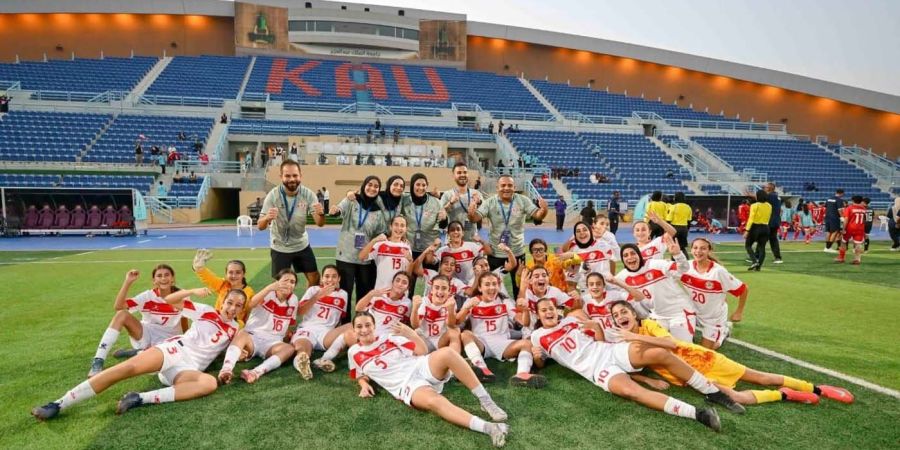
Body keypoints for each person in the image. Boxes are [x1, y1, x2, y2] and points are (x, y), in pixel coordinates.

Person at [32, 288, 246, 420]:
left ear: (241, 310)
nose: (232, 308)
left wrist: (239, 356)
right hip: (175, 350)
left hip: (188, 370)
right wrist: (192, 290)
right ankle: (59, 404)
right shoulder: (206, 311)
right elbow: (170, 299)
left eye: (238, 306)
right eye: (230, 302)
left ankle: (139, 398)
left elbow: (233, 350)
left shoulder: (236, 329)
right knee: (127, 369)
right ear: (222, 301)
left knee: (209, 383)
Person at [529, 299, 738, 431]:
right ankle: (698, 414)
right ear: (538, 315)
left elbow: (599, 341)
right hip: (596, 370)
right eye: (544, 310)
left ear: (557, 311)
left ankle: (713, 393)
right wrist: (538, 357)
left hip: (609, 351)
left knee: (659, 353)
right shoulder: (537, 336)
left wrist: (596, 328)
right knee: (632, 392)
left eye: (551, 308)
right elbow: (540, 363)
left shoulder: (571, 321)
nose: (549, 312)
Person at [609, 301, 853, 407]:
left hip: (705, 360)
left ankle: (818, 388)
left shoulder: (648, 326)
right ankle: (785, 395)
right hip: (692, 378)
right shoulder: (624, 343)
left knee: (761, 377)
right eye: (616, 316)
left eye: (623, 312)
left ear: (633, 314)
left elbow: (669, 344)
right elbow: (623, 369)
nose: (621, 317)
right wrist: (648, 380)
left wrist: (635, 336)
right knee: (737, 398)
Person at [346, 313, 509, 447]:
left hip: (419, 365)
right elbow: (360, 372)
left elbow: (422, 351)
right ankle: (489, 428)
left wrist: (410, 333)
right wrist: (363, 384)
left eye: (368, 325)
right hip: (406, 385)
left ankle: (486, 401)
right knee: (434, 401)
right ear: (354, 330)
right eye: (359, 326)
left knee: (447, 353)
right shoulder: (353, 352)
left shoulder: (388, 338)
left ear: (374, 326)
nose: (364, 330)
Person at [87, 267, 184, 377]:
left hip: (168, 339)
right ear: (154, 280)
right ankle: (98, 361)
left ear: (172, 278)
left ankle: (137, 352)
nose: (163, 278)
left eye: (167, 275)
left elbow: (184, 317)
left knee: (155, 367)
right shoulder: (147, 296)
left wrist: (185, 337)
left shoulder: (181, 295)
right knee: (121, 314)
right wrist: (128, 282)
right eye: (159, 276)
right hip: (146, 335)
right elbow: (118, 306)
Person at [458, 272, 546, 387]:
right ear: (480, 288)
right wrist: (467, 308)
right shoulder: (473, 301)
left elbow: (524, 323)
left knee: (527, 343)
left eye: (494, 284)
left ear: (499, 286)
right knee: (465, 334)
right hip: (481, 343)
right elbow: (456, 322)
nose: (491, 287)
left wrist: (525, 310)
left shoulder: (504, 301)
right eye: (487, 284)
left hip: (502, 343)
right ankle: (481, 368)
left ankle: (522, 374)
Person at [468, 175, 548, 298]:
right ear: (497, 188)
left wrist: (544, 209)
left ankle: (519, 308)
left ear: (514, 187)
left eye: (510, 185)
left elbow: (538, 215)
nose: (506, 188)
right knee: (492, 287)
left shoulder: (523, 200)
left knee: (519, 287)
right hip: (495, 254)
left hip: (517, 253)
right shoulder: (490, 202)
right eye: (503, 185)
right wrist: (471, 212)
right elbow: (474, 218)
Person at [313, 272, 413, 371]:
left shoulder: (407, 303)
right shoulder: (379, 295)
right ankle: (324, 359)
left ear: (407, 288)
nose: (400, 284)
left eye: (404, 282)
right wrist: (370, 295)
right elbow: (358, 308)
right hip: (368, 333)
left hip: (385, 339)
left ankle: (361, 360)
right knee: (347, 335)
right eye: (397, 280)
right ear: (392, 282)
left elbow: (407, 324)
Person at [218, 270, 299, 384]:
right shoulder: (269, 293)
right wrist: (269, 288)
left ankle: (255, 372)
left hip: (273, 342)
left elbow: (289, 323)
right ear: (276, 282)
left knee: (289, 349)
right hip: (253, 336)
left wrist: (287, 336)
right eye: (285, 280)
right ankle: (226, 369)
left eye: (292, 282)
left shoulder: (293, 299)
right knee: (242, 333)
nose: (288, 284)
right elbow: (251, 304)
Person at [615, 235, 697, 342]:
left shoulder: (655, 264)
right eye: (625, 255)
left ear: (639, 255)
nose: (630, 257)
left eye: (633, 253)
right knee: (655, 347)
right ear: (623, 260)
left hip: (679, 313)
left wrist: (678, 255)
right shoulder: (623, 276)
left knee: (682, 347)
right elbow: (605, 286)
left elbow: (683, 269)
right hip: (657, 316)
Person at [680, 238, 748, 349]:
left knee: (705, 351)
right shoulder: (686, 267)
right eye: (695, 248)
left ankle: (723, 333)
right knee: (681, 343)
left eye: (703, 248)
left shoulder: (718, 272)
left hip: (713, 318)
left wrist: (739, 312)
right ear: (691, 250)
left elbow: (743, 289)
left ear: (709, 251)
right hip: (693, 313)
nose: (698, 251)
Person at [330, 176, 383, 311]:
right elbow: (339, 209)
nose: (372, 188)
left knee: (363, 292)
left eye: (376, 186)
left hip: (364, 258)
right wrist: (335, 210)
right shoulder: (352, 200)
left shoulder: (377, 211)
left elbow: (379, 233)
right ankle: (345, 321)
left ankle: (361, 320)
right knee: (345, 292)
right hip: (345, 255)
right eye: (369, 184)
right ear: (364, 185)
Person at [290, 265, 349, 380]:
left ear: (339, 279)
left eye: (334, 276)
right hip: (307, 329)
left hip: (326, 334)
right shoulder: (313, 290)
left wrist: (339, 336)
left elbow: (339, 319)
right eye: (327, 276)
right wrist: (317, 296)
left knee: (352, 326)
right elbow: (300, 312)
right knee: (303, 351)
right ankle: (302, 367)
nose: (330, 279)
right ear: (322, 278)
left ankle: (323, 359)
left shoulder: (343, 294)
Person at [404, 173, 448, 295]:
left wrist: (444, 219)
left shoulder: (435, 202)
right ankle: (407, 306)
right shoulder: (405, 199)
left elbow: (443, 225)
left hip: (430, 248)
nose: (421, 187)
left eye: (424, 185)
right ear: (412, 185)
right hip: (411, 247)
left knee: (431, 285)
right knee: (408, 285)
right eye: (418, 184)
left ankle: (431, 306)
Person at [191, 249, 255, 322]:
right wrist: (199, 268)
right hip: (216, 323)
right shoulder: (223, 284)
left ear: (244, 274)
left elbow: (250, 314)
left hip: (235, 327)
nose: (234, 276)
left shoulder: (249, 292)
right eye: (230, 272)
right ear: (226, 274)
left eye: (238, 272)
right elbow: (210, 279)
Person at [359, 216, 413, 290]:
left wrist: (410, 260)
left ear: (406, 229)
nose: (399, 228)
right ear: (390, 227)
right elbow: (361, 257)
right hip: (381, 290)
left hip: (398, 292)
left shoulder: (407, 247)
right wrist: (374, 240)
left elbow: (407, 275)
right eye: (396, 224)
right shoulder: (380, 244)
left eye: (402, 225)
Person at [411, 275, 462, 353]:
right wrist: (415, 309)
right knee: (412, 334)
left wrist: (451, 310)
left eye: (444, 288)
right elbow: (415, 325)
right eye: (437, 288)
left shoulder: (451, 302)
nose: (440, 292)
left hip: (440, 340)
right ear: (431, 290)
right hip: (423, 338)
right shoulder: (425, 301)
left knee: (455, 331)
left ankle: (454, 357)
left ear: (449, 291)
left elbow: (451, 325)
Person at [441, 162, 483, 241]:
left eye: (465, 172)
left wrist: (479, 203)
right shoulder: (447, 194)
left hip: (472, 241)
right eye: (459, 173)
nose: (462, 175)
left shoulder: (476, 194)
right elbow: (440, 215)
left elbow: (484, 214)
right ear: (453, 175)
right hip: (453, 241)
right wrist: (450, 203)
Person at [743, 190, 772, 271]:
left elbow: (751, 218)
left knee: (748, 245)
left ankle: (754, 261)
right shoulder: (769, 205)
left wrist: (747, 230)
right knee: (762, 247)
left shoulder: (754, 205)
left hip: (755, 227)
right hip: (765, 227)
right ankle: (758, 267)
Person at [835, 195, 867, 265]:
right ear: (861, 201)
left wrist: (843, 229)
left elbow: (846, 219)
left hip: (850, 228)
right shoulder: (864, 209)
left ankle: (841, 258)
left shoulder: (849, 208)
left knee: (843, 242)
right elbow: (865, 220)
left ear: (852, 200)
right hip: (860, 228)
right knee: (858, 244)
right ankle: (857, 259)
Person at [763, 183, 783, 264]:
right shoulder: (776, 196)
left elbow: (760, 198)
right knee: (773, 239)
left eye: (766, 187)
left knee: (763, 238)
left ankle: (756, 256)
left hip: (770, 221)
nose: (764, 188)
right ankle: (778, 257)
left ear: (770, 188)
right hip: (776, 221)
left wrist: (749, 194)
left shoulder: (771, 196)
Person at [823, 189, 845, 253]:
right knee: (834, 232)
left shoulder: (829, 199)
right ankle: (828, 248)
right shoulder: (839, 200)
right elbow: (840, 210)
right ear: (842, 193)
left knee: (828, 231)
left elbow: (825, 208)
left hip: (827, 217)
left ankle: (826, 247)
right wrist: (842, 217)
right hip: (835, 217)